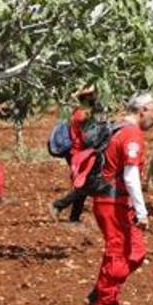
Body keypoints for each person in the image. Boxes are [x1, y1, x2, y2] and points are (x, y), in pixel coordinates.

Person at [89, 92, 153, 305]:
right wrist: (142, 211)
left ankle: (101, 291)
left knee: (136, 252)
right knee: (118, 253)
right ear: (143, 110)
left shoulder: (119, 127)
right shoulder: (131, 134)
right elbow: (131, 176)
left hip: (114, 201)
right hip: (113, 203)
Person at [49, 85, 98, 222]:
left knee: (83, 184)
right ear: (86, 97)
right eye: (92, 94)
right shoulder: (83, 115)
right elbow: (88, 138)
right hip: (79, 153)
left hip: (78, 153)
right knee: (85, 185)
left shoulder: (81, 111)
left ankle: (73, 218)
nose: (95, 96)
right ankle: (58, 205)